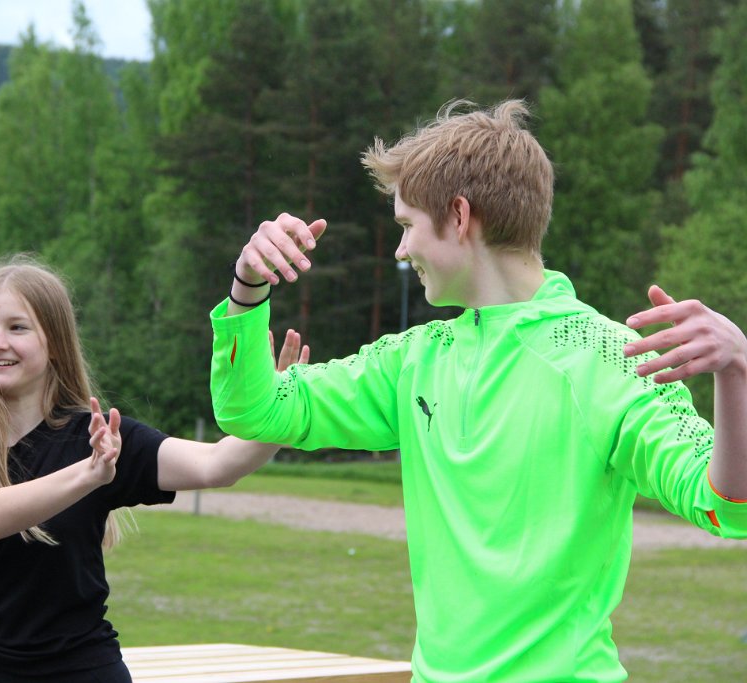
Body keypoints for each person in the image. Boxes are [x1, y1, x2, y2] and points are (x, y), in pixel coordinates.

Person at [208, 100, 747, 682]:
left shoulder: (612, 358)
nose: (401, 250)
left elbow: (725, 505)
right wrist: (247, 287)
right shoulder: (413, 359)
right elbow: (255, 411)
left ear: (459, 216)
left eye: (407, 225)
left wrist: (737, 370)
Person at [0, 255, 305, 682]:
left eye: (17, 327)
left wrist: (281, 409)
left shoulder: (101, 436)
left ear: (55, 342)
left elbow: (218, 465)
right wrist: (89, 474)